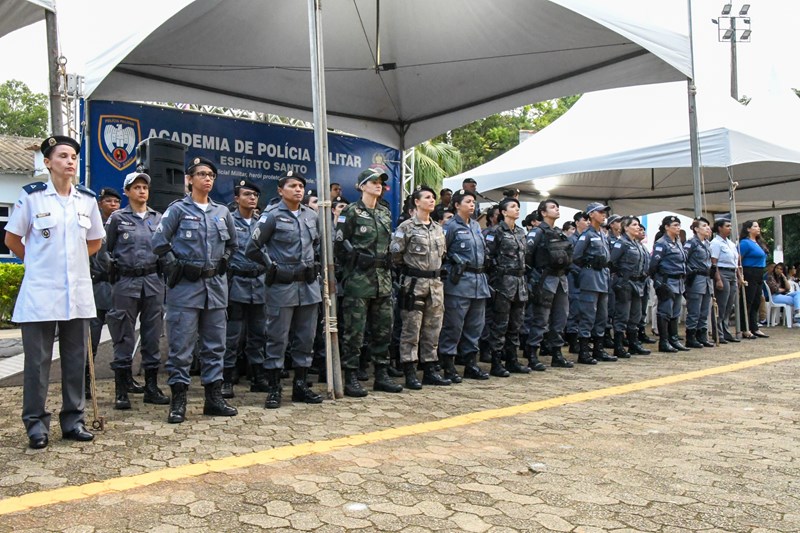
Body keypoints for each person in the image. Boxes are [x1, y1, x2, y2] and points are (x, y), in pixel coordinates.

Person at [5, 135, 104, 449]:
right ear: (48, 162)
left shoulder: (86, 200)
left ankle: (73, 420)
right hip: (40, 294)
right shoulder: (32, 197)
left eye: (74, 156)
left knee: (75, 361)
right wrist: (39, 263)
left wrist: (70, 265)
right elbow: (12, 239)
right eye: (62, 156)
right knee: (37, 363)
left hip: (76, 294)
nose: (70, 161)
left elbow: (94, 242)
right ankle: (36, 425)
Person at [152, 156, 238, 423]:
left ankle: (213, 399)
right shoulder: (178, 209)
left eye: (211, 174)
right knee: (181, 348)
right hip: (185, 290)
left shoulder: (222, 212)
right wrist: (174, 266)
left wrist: (224, 261)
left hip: (215, 289)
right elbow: (158, 241)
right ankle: (178, 401)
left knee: (215, 346)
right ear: (189, 179)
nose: (207, 179)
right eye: (201, 174)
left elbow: (233, 245)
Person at [246, 171, 324, 408]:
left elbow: (317, 245)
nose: (298, 189)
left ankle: (300, 387)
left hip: (309, 286)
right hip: (282, 286)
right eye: (292, 186)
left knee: (305, 338)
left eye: (301, 185)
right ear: (280, 191)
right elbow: (252, 248)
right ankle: (274, 388)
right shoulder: (271, 216)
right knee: (277, 339)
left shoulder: (311, 216)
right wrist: (273, 267)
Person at [334, 167, 403, 397]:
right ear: (361, 186)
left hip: (382, 280)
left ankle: (381, 375)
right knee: (355, 331)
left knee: (383, 329)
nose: (378, 185)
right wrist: (353, 264)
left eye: (381, 182)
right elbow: (339, 244)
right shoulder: (351, 212)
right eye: (373, 182)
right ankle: (351, 376)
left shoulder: (384, 212)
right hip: (358, 280)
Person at [104, 171, 169, 410]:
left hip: (153, 281)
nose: (142, 191)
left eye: (145, 187)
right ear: (127, 192)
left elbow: (165, 249)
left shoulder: (158, 218)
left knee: (152, 335)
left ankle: (151, 387)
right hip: (125, 283)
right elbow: (106, 251)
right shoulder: (117, 219)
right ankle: (122, 390)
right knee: (123, 334)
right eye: (137, 187)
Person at [391, 185, 450, 389]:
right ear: (416, 202)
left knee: (433, 328)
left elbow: (443, 256)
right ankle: (410, 370)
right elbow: (396, 256)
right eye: (427, 197)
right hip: (414, 283)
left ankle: (430, 369)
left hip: (435, 284)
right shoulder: (406, 227)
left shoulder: (438, 228)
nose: (432, 200)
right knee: (411, 328)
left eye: (433, 197)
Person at [88, 186, 140, 399]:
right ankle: (85, 381)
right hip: (96, 288)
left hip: (118, 289)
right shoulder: (93, 225)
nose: (113, 205)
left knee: (123, 336)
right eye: (109, 202)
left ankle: (126, 378)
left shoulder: (124, 224)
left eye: (116, 203)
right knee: (91, 338)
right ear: (101, 204)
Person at [437, 189, 491, 381]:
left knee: (475, 327)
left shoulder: (476, 226)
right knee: (453, 326)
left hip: (478, 283)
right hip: (458, 284)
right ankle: (448, 365)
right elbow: (441, 255)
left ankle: (470, 364)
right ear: (457, 205)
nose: (472, 204)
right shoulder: (450, 226)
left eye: (473, 202)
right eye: (467, 201)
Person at [222, 180, 269, 398]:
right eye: (247, 194)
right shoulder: (229, 221)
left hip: (259, 285)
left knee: (258, 334)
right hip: (236, 284)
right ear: (236, 198)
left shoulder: (262, 223)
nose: (252, 198)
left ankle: (258, 376)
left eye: (255, 195)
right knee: (232, 336)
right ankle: (227, 378)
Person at [524, 199, 575, 370]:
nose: (557, 209)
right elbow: (527, 256)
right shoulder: (538, 232)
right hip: (544, 280)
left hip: (560, 280)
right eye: (553, 207)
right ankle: (532, 354)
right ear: (543, 212)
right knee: (541, 319)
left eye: (557, 207)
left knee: (560, 318)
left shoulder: (559, 233)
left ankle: (557, 354)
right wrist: (533, 279)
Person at [484, 197, 531, 376]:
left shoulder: (520, 232)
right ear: (503, 212)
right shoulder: (495, 232)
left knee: (516, 324)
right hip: (503, 284)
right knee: (500, 325)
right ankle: (496, 362)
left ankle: (512, 360)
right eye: (512, 207)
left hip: (520, 283)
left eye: (518, 206)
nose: (517, 209)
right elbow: (488, 256)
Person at [572, 202, 615, 364]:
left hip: (603, 277)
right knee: (588, 315)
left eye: (604, 212)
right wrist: (589, 261)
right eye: (600, 212)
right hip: (590, 277)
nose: (604, 214)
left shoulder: (603, 234)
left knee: (602, 316)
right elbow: (576, 256)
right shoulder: (587, 234)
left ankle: (598, 349)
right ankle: (584, 351)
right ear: (591, 215)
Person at [608, 216, 651, 357]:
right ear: (625, 227)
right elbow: (611, 262)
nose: (638, 227)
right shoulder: (622, 243)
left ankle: (633, 343)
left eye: (638, 224)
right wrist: (619, 277)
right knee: (622, 314)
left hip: (638, 283)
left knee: (635, 315)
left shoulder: (637, 244)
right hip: (625, 283)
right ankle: (619, 346)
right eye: (634, 224)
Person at [649, 215, 689, 353]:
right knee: (665, 311)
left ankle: (674, 339)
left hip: (678, 281)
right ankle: (664, 341)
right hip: (667, 280)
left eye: (679, 225)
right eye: (675, 225)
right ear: (666, 227)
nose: (678, 228)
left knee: (675, 312)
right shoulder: (662, 243)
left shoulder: (677, 241)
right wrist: (658, 282)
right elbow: (653, 264)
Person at [683, 217, 715, 348]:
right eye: (704, 226)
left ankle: (702, 335)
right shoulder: (691, 243)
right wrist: (689, 273)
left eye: (708, 226)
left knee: (704, 309)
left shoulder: (707, 243)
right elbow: (683, 259)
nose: (708, 228)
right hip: (696, 278)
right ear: (696, 229)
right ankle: (691, 336)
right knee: (694, 309)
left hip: (706, 279)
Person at [710, 218, 741, 343]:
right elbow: (714, 262)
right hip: (722, 271)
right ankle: (718, 333)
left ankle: (726, 330)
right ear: (719, 228)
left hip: (732, 272)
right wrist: (718, 279)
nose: (730, 228)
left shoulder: (731, 243)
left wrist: (739, 277)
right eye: (727, 226)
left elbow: (736, 262)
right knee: (721, 304)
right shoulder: (715, 243)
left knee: (729, 304)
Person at [738, 220, 769, 338]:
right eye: (755, 226)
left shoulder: (758, 242)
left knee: (757, 300)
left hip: (759, 272)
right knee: (748, 300)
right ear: (748, 229)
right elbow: (739, 259)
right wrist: (740, 275)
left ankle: (754, 326)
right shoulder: (745, 243)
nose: (758, 228)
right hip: (749, 271)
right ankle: (744, 328)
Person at [564, 211, 589, 354]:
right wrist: (577, 272)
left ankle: (581, 340)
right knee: (574, 310)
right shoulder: (571, 239)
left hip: (586, 279)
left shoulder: (587, 237)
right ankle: (573, 343)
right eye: (584, 220)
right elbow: (570, 260)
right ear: (577, 222)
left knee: (584, 311)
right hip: (575, 279)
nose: (587, 222)